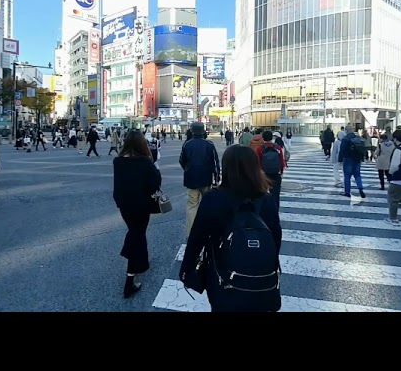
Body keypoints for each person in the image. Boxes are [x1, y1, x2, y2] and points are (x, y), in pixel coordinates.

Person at [180, 145, 282, 312]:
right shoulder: (266, 199)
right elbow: (275, 235)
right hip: (261, 278)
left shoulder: (214, 198)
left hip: (223, 274)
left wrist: (187, 267)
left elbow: (197, 238)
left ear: (226, 167)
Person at [113, 130, 162, 299]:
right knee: (137, 234)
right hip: (142, 205)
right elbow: (154, 185)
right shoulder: (145, 162)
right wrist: (155, 166)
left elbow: (118, 185)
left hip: (125, 206)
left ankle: (143, 262)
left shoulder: (118, 161)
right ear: (143, 143)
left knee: (136, 232)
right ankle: (130, 279)